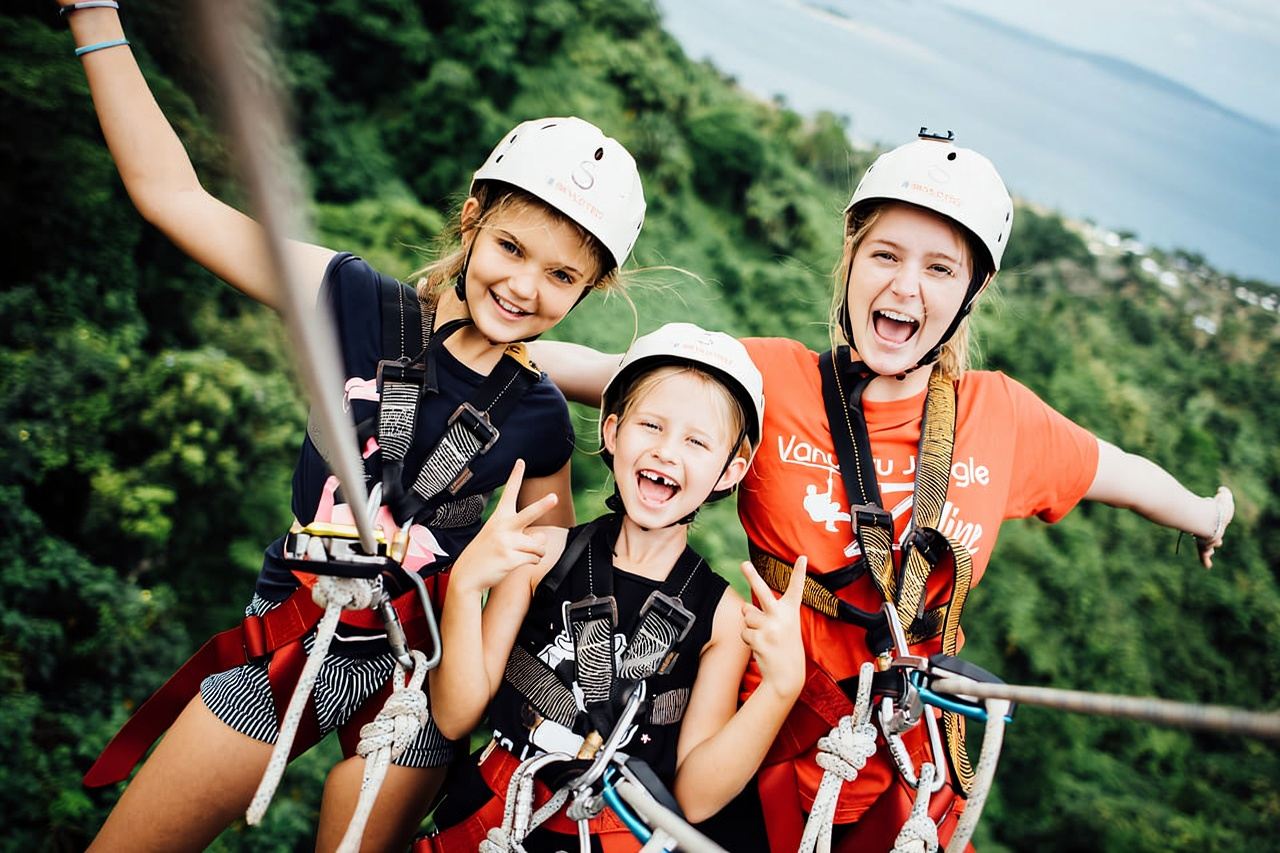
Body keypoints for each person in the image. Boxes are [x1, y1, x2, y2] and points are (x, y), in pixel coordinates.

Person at [529, 130, 1236, 850]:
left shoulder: (1000, 417)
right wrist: (469, 331)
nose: (906, 287)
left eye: (939, 268)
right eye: (887, 255)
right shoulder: (774, 380)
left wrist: (1207, 514)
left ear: (973, 291)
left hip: (906, 753)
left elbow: (1118, 472)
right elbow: (614, 374)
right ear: (852, 258)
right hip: (771, 726)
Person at [62, 4, 647, 851]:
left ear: (587, 292)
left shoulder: (539, 416)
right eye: (511, 247)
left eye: (560, 275)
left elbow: (540, 564)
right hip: (297, 635)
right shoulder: (355, 305)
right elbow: (172, 197)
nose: (524, 286)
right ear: (473, 217)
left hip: (419, 674)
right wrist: (93, 17)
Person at [419, 324, 806, 851]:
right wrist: (466, 586)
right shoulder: (541, 555)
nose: (667, 452)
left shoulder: (724, 619)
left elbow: (694, 796)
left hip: (611, 830)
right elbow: (454, 714)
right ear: (612, 432)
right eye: (651, 425)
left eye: (696, 441)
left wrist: (781, 688)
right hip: (490, 820)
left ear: (729, 471)